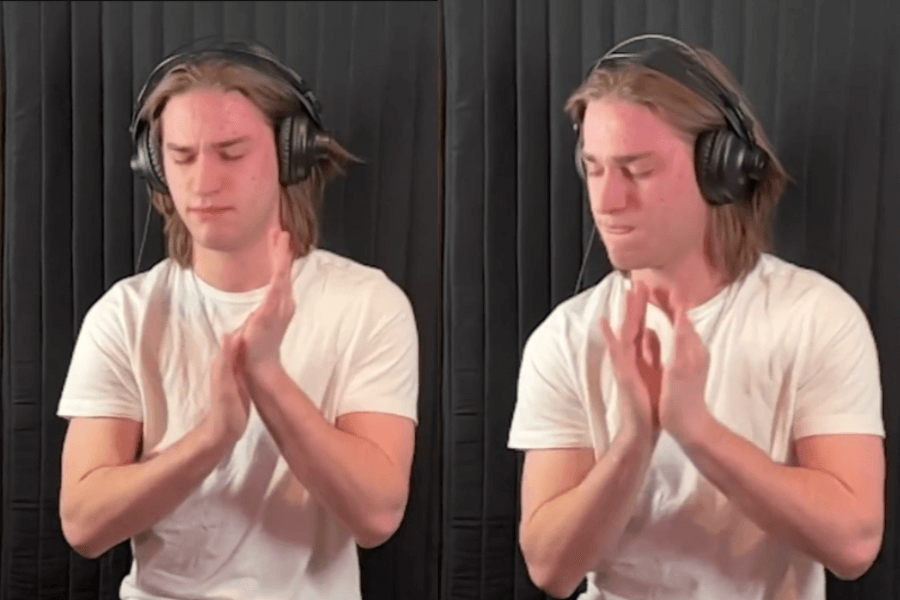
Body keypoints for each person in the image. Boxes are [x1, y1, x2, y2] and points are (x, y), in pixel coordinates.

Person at [509, 34, 885, 600]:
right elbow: (550, 570)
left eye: (635, 170)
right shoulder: (565, 338)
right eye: (594, 169)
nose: (606, 202)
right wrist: (636, 439)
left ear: (722, 170)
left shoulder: (816, 317)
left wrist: (698, 431)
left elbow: (854, 546)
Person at [57, 37, 419, 600]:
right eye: (181, 156)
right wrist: (212, 438)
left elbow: (377, 515)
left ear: (291, 154)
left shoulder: (368, 304)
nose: (203, 182)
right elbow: (83, 524)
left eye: (230, 153)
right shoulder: (123, 315)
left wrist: (268, 378)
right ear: (155, 167)